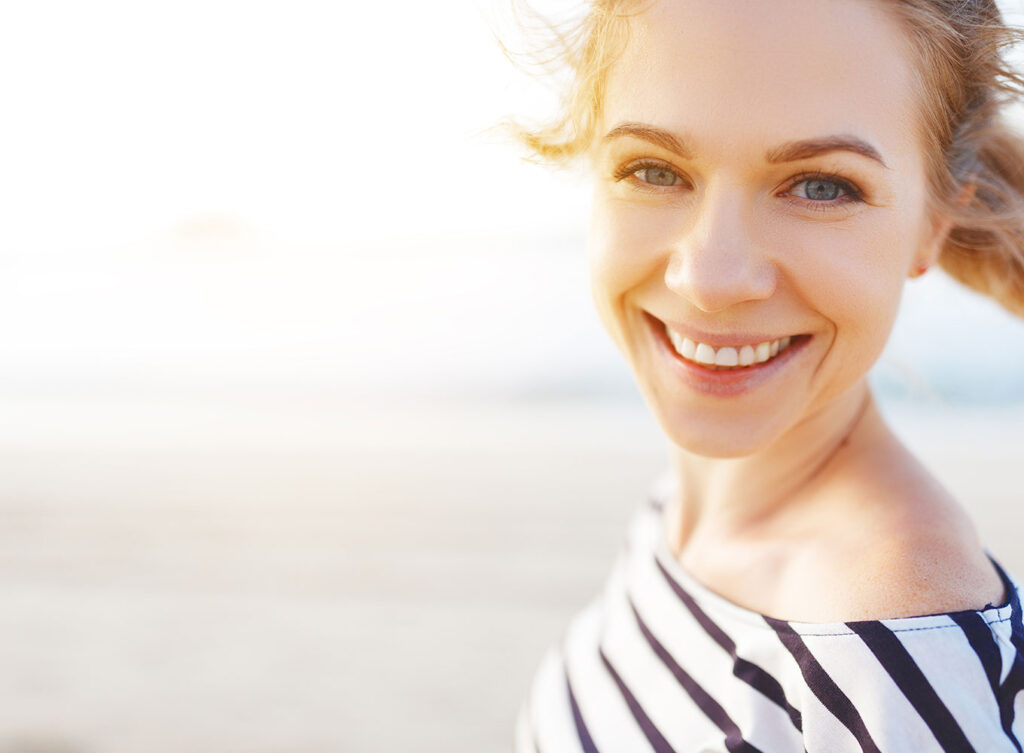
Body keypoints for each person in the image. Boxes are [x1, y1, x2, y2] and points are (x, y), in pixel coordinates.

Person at [508, 0, 1024, 750]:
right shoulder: (689, 506)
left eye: (821, 186)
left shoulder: (883, 640)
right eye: (654, 170)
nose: (711, 278)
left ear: (934, 224)